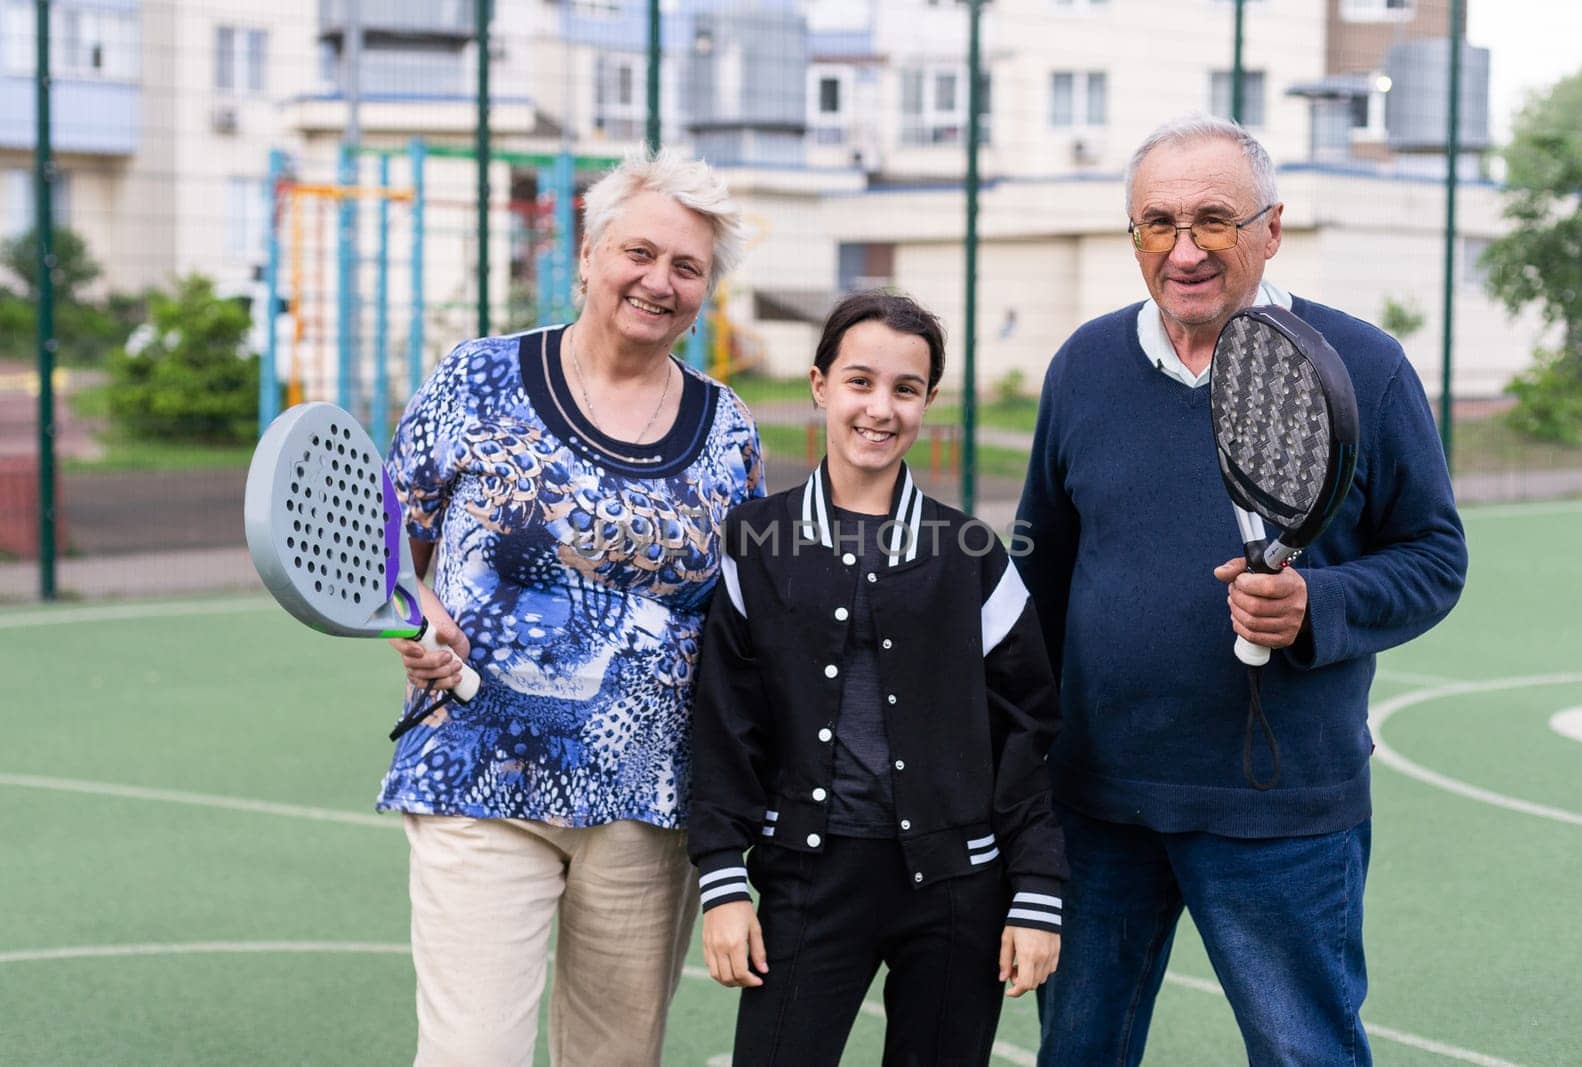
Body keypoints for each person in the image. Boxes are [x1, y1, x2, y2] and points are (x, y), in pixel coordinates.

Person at [1016, 114, 1468, 1065]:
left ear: (1271, 227)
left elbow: (1434, 557)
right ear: (1133, 236)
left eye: (1214, 220)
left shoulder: (1367, 365)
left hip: (1282, 810)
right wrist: (1018, 771)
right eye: (1158, 224)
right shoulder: (1083, 367)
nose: (1184, 251)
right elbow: (1040, 576)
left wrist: (1318, 608)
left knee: (1307, 1053)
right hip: (1097, 804)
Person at [381, 145, 763, 1066]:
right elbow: (386, 540)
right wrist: (413, 619)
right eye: (639, 252)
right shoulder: (478, 379)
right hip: (479, 772)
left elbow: (744, 624)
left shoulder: (730, 433)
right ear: (588, 256)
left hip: (647, 804)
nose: (658, 281)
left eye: (687, 267)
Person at [689, 291, 1064, 1066]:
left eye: (905, 388)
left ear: (928, 402)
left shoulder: (972, 554)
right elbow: (725, 721)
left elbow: (1030, 731)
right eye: (860, 381)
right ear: (820, 384)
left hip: (959, 887)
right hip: (807, 876)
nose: (880, 408)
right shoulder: (756, 542)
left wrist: (1036, 893)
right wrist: (723, 880)